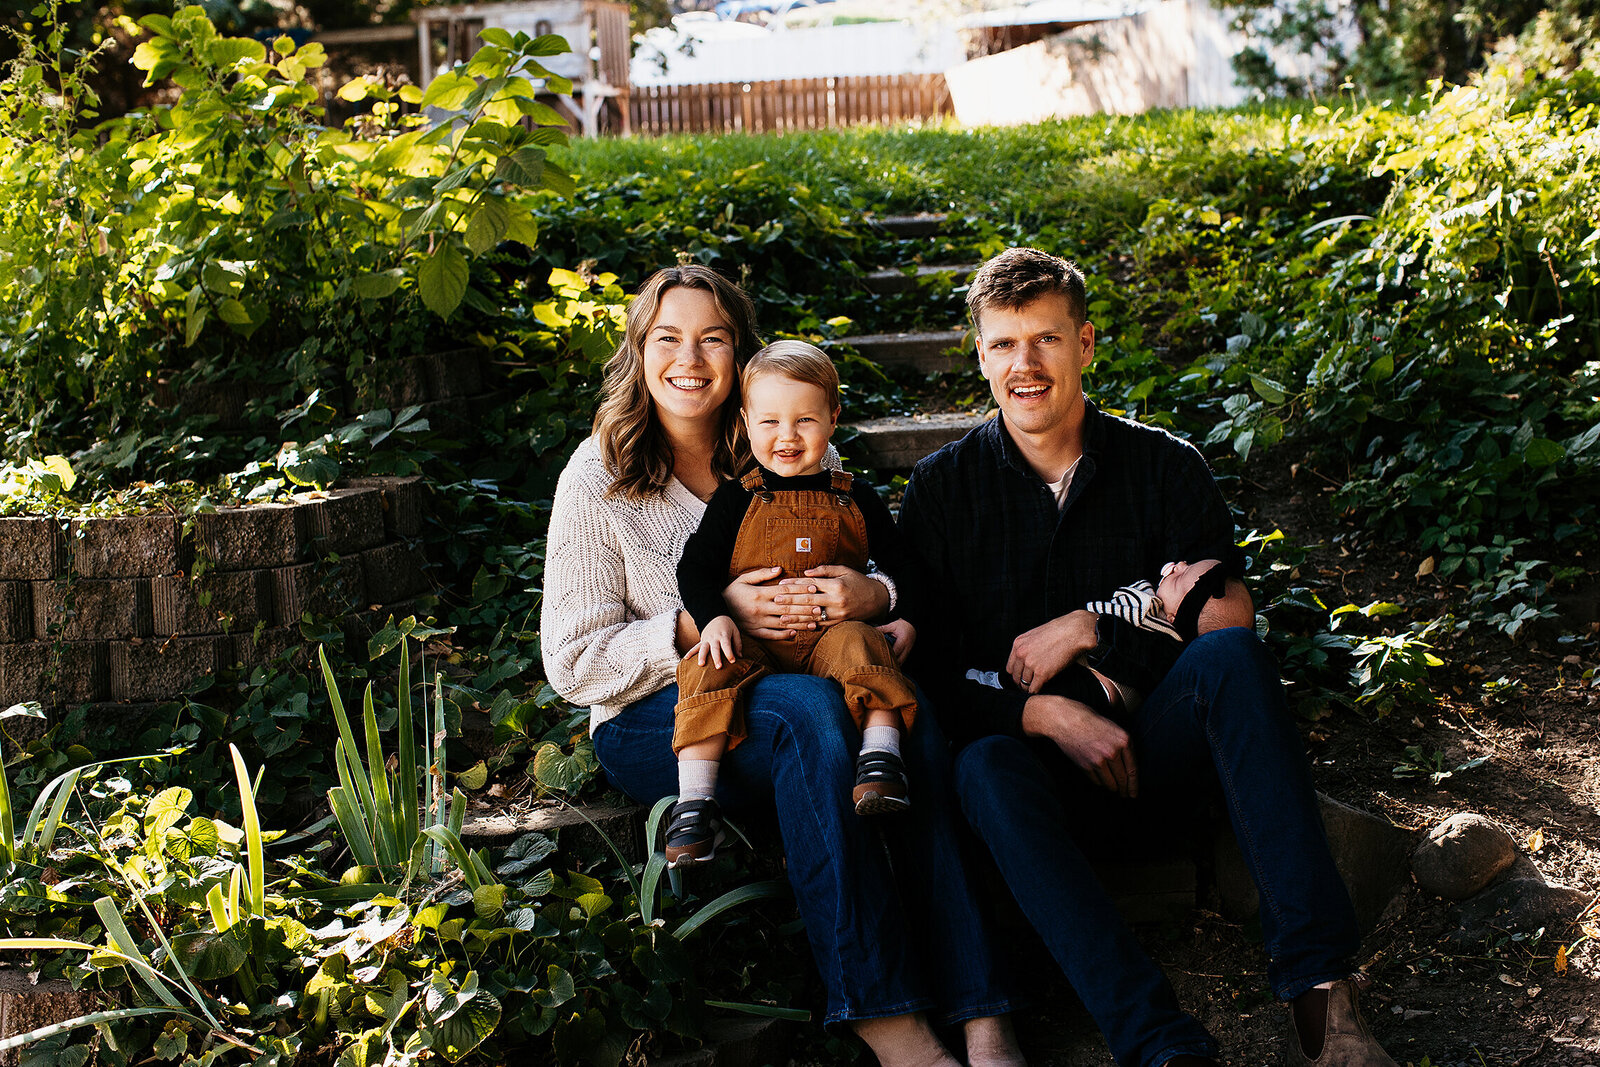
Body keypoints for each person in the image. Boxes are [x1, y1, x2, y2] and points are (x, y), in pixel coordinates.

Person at [899, 246, 1400, 1067]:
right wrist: (1043, 710)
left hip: (1162, 762)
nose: (1025, 365)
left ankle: (1325, 1001)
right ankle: (1158, 1040)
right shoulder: (941, 493)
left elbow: (1224, 617)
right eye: (1003, 344)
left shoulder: (1164, 467)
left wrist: (1092, 626)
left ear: (1086, 344)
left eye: (1047, 340)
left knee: (1234, 660)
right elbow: (930, 675)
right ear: (980, 355)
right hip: (1032, 799)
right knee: (985, 765)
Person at [540, 264, 1024, 1067]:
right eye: (668, 338)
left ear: (740, 356)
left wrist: (877, 594)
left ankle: (982, 1007)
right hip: (658, 718)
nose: (689, 358)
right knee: (806, 711)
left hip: (801, 686)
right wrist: (699, 621)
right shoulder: (600, 477)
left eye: (713, 339)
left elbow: (874, 548)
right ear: (638, 349)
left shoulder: (778, 435)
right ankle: (889, 1022)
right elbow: (572, 662)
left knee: (907, 713)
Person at [668, 340, 920, 866]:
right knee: (705, 667)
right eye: (770, 422)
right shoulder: (737, 497)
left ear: (833, 418)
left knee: (861, 643)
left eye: (805, 420)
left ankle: (881, 761)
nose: (787, 437)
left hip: (831, 641)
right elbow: (694, 568)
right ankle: (696, 804)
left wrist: (901, 612)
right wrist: (714, 617)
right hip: (756, 644)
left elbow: (907, 568)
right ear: (745, 421)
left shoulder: (856, 497)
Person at [970, 557, 1255, 721]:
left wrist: (1091, 627)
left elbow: (1119, 611)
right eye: (1185, 564)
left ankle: (996, 684)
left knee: (1049, 684)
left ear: (1173, 618)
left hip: (1099, 689)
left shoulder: (1149, 612)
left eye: (1180, 577)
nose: (1177, 565)